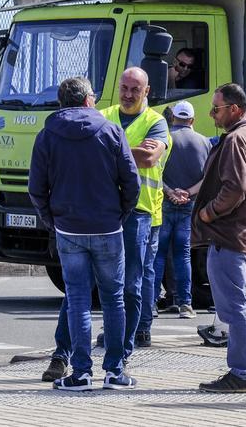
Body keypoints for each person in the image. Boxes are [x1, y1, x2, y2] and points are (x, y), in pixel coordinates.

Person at [31, 76, 139, 390]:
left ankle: (80, 373)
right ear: (88, 100)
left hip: (68, 229)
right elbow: (131, 181)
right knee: (113, 299)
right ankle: (115, 372)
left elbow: (36, 188)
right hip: (107, 226)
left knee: (78, 300)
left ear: (60, 102)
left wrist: (52, 220)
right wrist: (120, 212)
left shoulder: (48, 134)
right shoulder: (111, 130)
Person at [189, 84, 246, 393]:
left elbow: (235, 188)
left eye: (216, 109)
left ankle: (240, 373)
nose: (212, 114)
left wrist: (207, 214)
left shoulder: (237, 140)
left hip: (230, 237)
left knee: (234, 309)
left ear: (234, 109)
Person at [101, 67, 168, 355]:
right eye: (124, 88)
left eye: (135, 90)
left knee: (135, 279)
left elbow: (150, 158)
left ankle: (138, 331)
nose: (128, 95)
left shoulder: (157, 122)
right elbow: (136, 155)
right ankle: (119, 331)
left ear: (146, 91)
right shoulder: (105, 115)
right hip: (108, 210)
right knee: (110, 280)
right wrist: (132, 150)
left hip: (142, 211)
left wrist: (109, 149)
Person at [156, 100, 210, 319]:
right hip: (190, 204)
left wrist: (170, 192)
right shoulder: (204, 142)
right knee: (183, 254)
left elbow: (155, 172)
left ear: (173, 118)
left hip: (166, 203)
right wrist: (187, 192)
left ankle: (151, 303)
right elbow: (207, 178)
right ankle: (185, 304)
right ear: (192, 120)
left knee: (158, 255)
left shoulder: (165, 139)